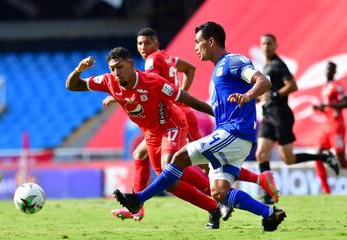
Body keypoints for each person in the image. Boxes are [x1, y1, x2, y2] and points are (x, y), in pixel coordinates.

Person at [114, 21, 286, 232]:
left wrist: (248, 95)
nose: (195, 47)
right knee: (219, 192)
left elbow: (263, 81)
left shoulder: (232, 61)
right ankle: (270, 213)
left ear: (211, 41)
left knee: (179, 158)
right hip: (230, 135)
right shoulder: (217, 72)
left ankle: (138, 199)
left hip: (235, 132)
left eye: (198, 42)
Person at [67, 47, 227, 229]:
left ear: (131, 65)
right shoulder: (108, 81)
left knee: (169, 168)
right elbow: (72, 85)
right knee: (169, 184)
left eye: (119, 67)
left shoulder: (153, 82)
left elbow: (187, 99)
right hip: (151, 134)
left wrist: (218, 114)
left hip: (171, 124)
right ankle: (214, 208)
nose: (116, 73)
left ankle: (138, 200)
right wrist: (78, 70)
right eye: (112, 69)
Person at [256, 33, 340, 204]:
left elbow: (293, 85)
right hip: (268, 115)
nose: (266, 47)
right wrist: (255, 97)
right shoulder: (266, 66)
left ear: (275, 45)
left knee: (289, 159)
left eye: (269, 43)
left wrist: (274, 94)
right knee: (261, 153)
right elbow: (266, 93)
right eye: (264, 44)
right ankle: (268, 192)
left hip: (281, 115)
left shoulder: (278, 64)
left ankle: (324, 157)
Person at [312, 62, 347, 193]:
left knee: (342, 162)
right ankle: (326, 191)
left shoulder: (336, 86)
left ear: (334, 71)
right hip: (327, 126)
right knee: (317, 155)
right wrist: (321, 108)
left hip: (337, 126)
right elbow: (329, 108)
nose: (328, 71)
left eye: (330, 69)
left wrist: (331, 106)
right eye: (326, 68)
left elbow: (345, 101)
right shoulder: (325, 87)